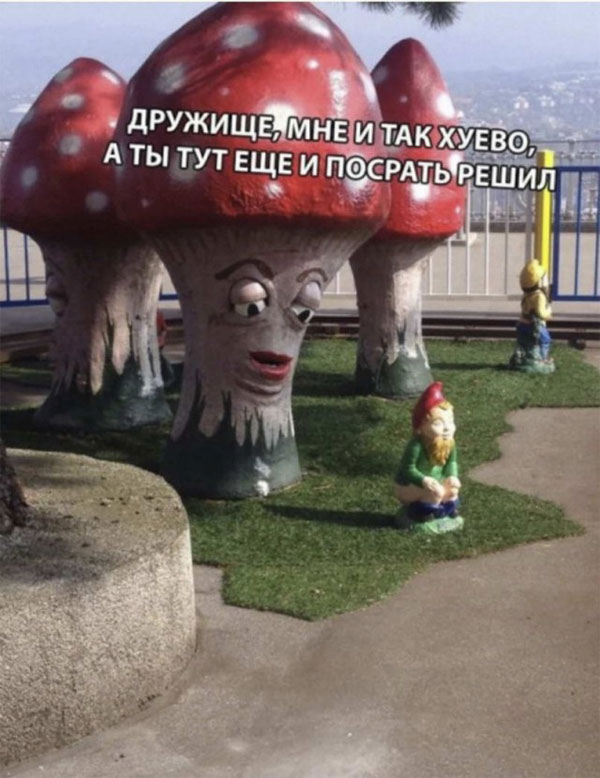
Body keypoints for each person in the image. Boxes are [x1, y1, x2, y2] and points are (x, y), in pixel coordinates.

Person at [394, 382, 463, 532]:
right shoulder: (417, 446)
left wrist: (452, 475)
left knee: (453, 490)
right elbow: (407, 468)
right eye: (438, 423)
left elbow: (452, 462)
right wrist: (423, 480)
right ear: (421, 427)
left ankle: (448, 510)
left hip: (436, 480)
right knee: (437, 492)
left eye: (450, 421)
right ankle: (423, 513)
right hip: (410, 485)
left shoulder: (449, 443)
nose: (447, 428)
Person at [510, 258, 554, 371]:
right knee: (545, 340)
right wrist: (549, 311)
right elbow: (540, 313)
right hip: (534, 326)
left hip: (522, 324)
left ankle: (520, 358)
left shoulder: (526, 294)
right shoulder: (539, 296)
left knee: (524, 342)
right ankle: (542, 359)